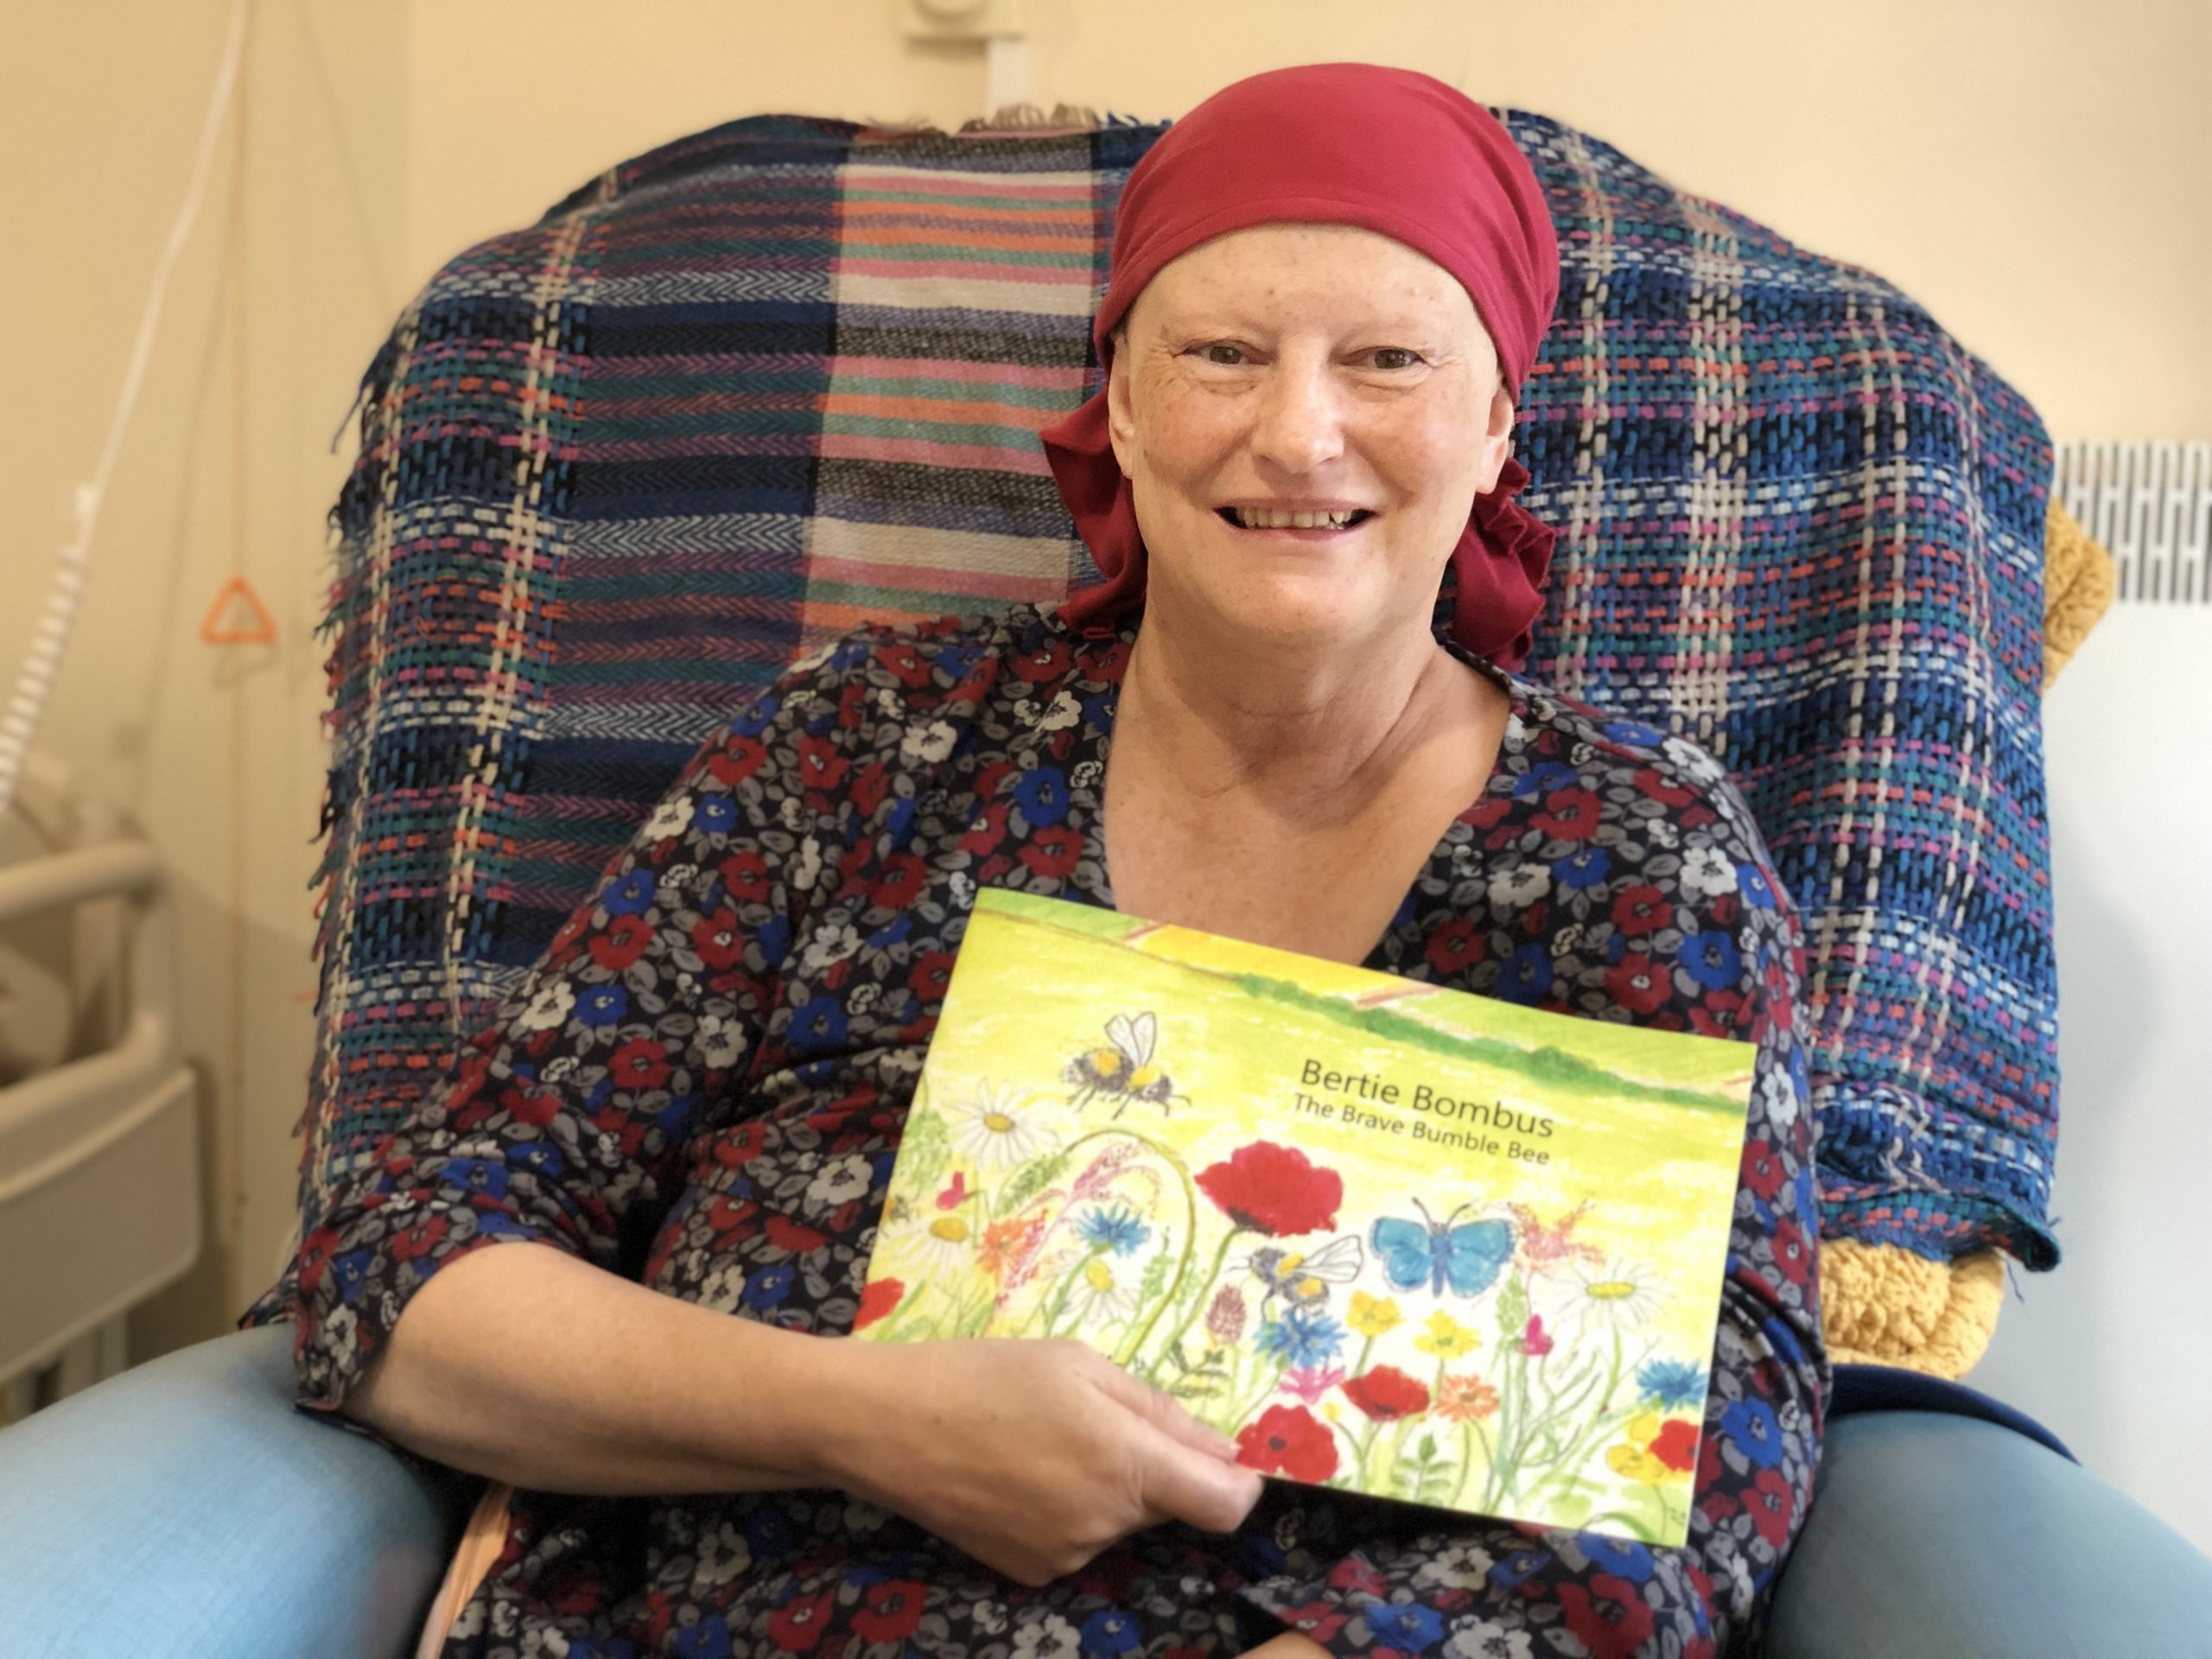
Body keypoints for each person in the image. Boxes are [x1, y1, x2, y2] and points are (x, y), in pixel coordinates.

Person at [282, 63, 1823, 1659]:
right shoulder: (867, 752)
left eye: (1387, 361)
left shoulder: (1642, 864)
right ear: (1127, 413)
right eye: (1222, 354)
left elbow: (1721, 1432)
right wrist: (854, 1417)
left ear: (1498, 422)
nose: (1300, 431)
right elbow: (408, 1258)